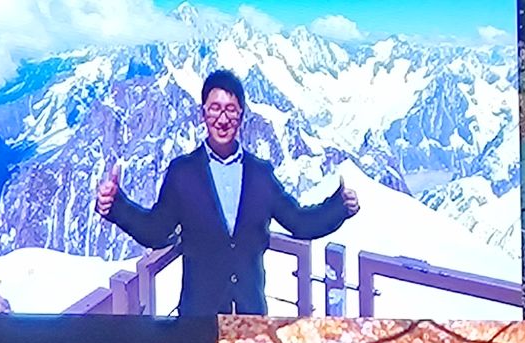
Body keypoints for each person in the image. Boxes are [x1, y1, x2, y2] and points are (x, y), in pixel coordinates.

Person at [96, 69, 358, 316]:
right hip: (199, 321)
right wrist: (116, 206)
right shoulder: (183, 174)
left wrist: (340, 207)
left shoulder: (261, 175)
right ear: (203, 113)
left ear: (241, 115)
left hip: (250, 318)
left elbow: (299, 222)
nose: (222, 119)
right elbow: (156, 230)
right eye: (215, 108)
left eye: (230, 110)